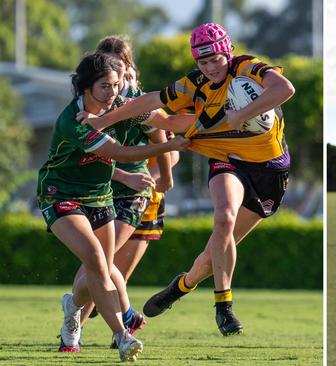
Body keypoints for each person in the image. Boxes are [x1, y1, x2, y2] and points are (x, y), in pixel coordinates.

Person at [79, 22, 295, 336]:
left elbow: (284, 89)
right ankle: (224, 308)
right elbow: (152, 100)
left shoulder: (248, 68)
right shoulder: (193, 84)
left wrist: (243, 112)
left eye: (215, 60)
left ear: (228, 53)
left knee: (212, 257)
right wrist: (103, 120)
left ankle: (182, 285)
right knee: (224, 218)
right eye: (202, 62)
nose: (210, 68)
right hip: (227, 162)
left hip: (271, 171)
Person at [36, 52, 189, 361]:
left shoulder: (120, 106)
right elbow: (120, 152)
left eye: (117, 85)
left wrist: (216, 117)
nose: (114, 93)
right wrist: (170, 146)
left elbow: (170, 121)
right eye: (105, 86)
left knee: (102, 269)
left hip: (100, 196)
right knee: (95, 258)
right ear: (85, 87)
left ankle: (73, 309)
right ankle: (122, 336)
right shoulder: (73, 121)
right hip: (60, 195)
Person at [75, 36, 181, 346]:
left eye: (118, 67)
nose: (112, 74)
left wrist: (160, 180)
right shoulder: (94, 102)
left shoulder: (137, 101)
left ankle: (86, 327)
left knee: (103, 265)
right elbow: (89, 154)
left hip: (142, 197)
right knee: (100, 265)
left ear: (128, 68)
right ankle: (117, 318)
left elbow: (167, 145)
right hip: (105, 191)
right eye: (105, 67)